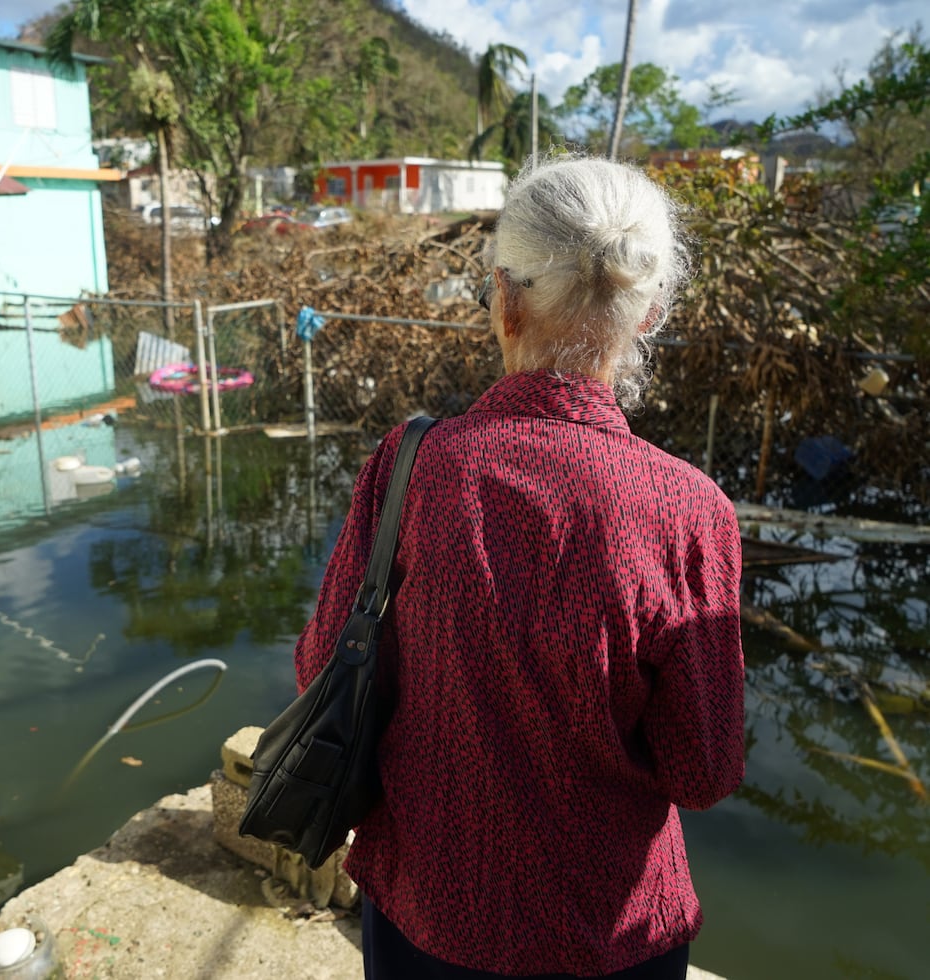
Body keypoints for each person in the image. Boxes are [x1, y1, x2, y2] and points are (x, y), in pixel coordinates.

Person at [295, 153, 746, 979]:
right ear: (646, 315)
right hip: (611, 935)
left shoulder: (408, 466)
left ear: (504, 299)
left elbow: (319, 669)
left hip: (427, 915)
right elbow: (702, 770)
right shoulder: (692, 513)